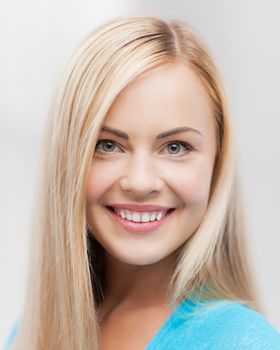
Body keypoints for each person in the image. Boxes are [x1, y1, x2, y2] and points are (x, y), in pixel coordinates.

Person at [5, 14, 280, 350]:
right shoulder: (29, 333)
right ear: (68, 162)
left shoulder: (240, 343)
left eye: (176, 147)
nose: (140, 181)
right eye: (108, 145)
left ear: (217, 163)